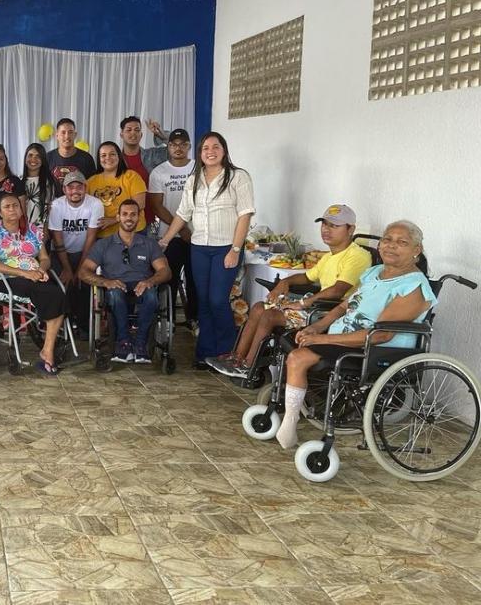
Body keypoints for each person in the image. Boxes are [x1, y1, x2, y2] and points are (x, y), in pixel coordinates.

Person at [275, 220, 436, 449]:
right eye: (387, 239)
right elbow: (343, 307)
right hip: (345, 337)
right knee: (292, 339)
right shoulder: (376, 272)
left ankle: (290, 423)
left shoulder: (414, 287)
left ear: (416, 251)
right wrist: (317, 327)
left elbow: (381, 335)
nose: (391, 246)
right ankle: (301, 405)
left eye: (402, 242)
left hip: (375, 348)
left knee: (299, 357)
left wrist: (322, 339)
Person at [208, 204, 373, 377]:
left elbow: (337, 291)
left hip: (332, 311)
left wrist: (303, 303)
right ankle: (237, 358)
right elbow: (307, 277)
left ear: (350, 229)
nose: (326, 230)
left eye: (334, 226)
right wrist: (284, 282)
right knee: (258, 307)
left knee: (269, 315)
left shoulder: (357, 256)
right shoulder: (330, 256)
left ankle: (248, 366)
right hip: (317, 305)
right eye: (324, 224)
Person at [159, 132, 254, 370]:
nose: (210, 151)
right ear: (200, 153)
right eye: (205, 148)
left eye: (215, 146)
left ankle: (227, 352)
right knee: (202, 301)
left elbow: (245, 214)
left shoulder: (238, 177)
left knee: (217, 299)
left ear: (224, 150)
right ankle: (205, 353)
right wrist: (166, 239)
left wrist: (235, 249)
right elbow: (183, 213)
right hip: (199, 248)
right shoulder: (195, 179)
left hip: (226, 248)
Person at [0, 194, 68, 376]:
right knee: (50, 294)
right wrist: (26, 273)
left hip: (35, 276)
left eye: (15, 205)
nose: (12, 209)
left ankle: (47, 349)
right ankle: (48, 352)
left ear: (21, 208)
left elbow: (44, 258)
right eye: (7, 207)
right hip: (5, 278)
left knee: (58, 293)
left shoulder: (33, 230)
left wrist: (41, 271)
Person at [80, 200, 171, 366]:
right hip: (115, 286)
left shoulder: (149, 244)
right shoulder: (103, 244)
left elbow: (165, 271)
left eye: (133, 214)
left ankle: (141, 344)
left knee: (152, 296)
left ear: (139, 217)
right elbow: (84, 271)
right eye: (125, 214)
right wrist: (105, 282)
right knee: (114, 295)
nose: (129, 218)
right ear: (118, 217)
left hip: (142, 285)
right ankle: (124, 342)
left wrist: (149, 281)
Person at [147, 128, 198, 333]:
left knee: (195, 280)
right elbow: (157, 206)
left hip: (198, 236)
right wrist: (182, 228)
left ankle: (194, 318)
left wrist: (189, 230)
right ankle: (167, 321)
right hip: (169, 236)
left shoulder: (199, 168)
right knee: (170, 279)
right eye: (173, 144)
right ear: (168, 146)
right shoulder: (159, 172)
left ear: (189, 146)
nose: (178, 148)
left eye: (182, 144)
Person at [48, 172, 104, 325]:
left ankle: (84, 324)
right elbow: (57, 239)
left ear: (85, 188)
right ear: (64, 189)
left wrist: (80, 269)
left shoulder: (95, 204)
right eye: (70, 187)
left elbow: (91, 239)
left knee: (84, 282)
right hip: (60, 253)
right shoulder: (56, 205)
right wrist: (67, 269)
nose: (75, 191)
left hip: (84, 251)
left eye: (79, 187)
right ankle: (63, 324)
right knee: (61, 283)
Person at [87, 141, 148, 238]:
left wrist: (114, 220)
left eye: (112, 154)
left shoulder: (131, 176)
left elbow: (140, 204)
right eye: (103, 155)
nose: (108, 158)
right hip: (103, 235)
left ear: (119, 156)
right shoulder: (90, 182)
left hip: (133, 232)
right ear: (99, 159)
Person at [119, 116, 168, 225]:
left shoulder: (152, 155)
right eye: (129, 130)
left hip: (151, 220)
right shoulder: (115, 161)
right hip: (124, 222)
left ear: (141, 135)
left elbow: (176, 147)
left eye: (137, 130)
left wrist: (161, 134)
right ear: (121, 134)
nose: (133, 133)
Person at [46, 118, 96, 195]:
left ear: (75, 135)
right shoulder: (48, 158)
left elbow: (92, 186)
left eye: (70, 132)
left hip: (79, 204)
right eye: (63, 132)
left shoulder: (86, 158)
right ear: (57, 135)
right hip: (54, 205)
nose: (67, 136)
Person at [0, 143, 26, 219]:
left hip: (13, 227)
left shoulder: (15, 181)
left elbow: (23, 212)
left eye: (1, 159)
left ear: (6, 160)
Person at [22, 142, 55, 229]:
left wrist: (46, 231)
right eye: (30, 155)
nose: (33, 159)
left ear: (43, 160)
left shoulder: (49, 182)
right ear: (25, 158)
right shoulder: (18, 180)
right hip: (21, 229)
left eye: (38, 156)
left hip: (41, 230)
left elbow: (50, 210)